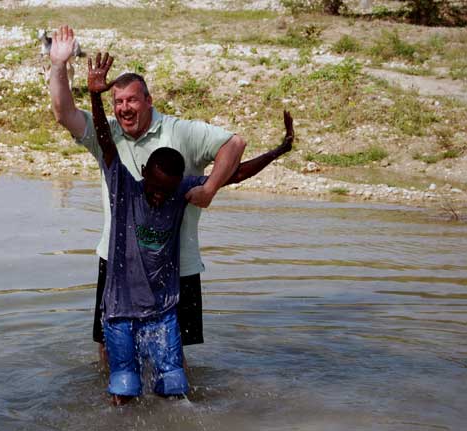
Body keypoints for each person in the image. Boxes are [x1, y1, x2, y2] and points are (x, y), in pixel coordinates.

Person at [48, 25, 294, 362]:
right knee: (109, 351)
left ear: (149, 100)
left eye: (132, 99)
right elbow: (64, 113)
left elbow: (234, 147)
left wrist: (208, 189)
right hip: (119, 264)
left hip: (178, 265)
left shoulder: (181, 133)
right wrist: (59, 65)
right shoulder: (108, 137)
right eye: (117, 101)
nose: (124, 108)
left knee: (173, 357)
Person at [88, 52, 201, 404]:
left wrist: (278, 151)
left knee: (174, 383)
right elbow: (106, 142)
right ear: (143, 177)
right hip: (120, 309)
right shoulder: (125, 189)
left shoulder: (178, 193)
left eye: (165, 191)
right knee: (123, 385)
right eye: (153, 188)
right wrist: (94, 95)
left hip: (161, 310)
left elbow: (236, 173)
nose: (157, 196)